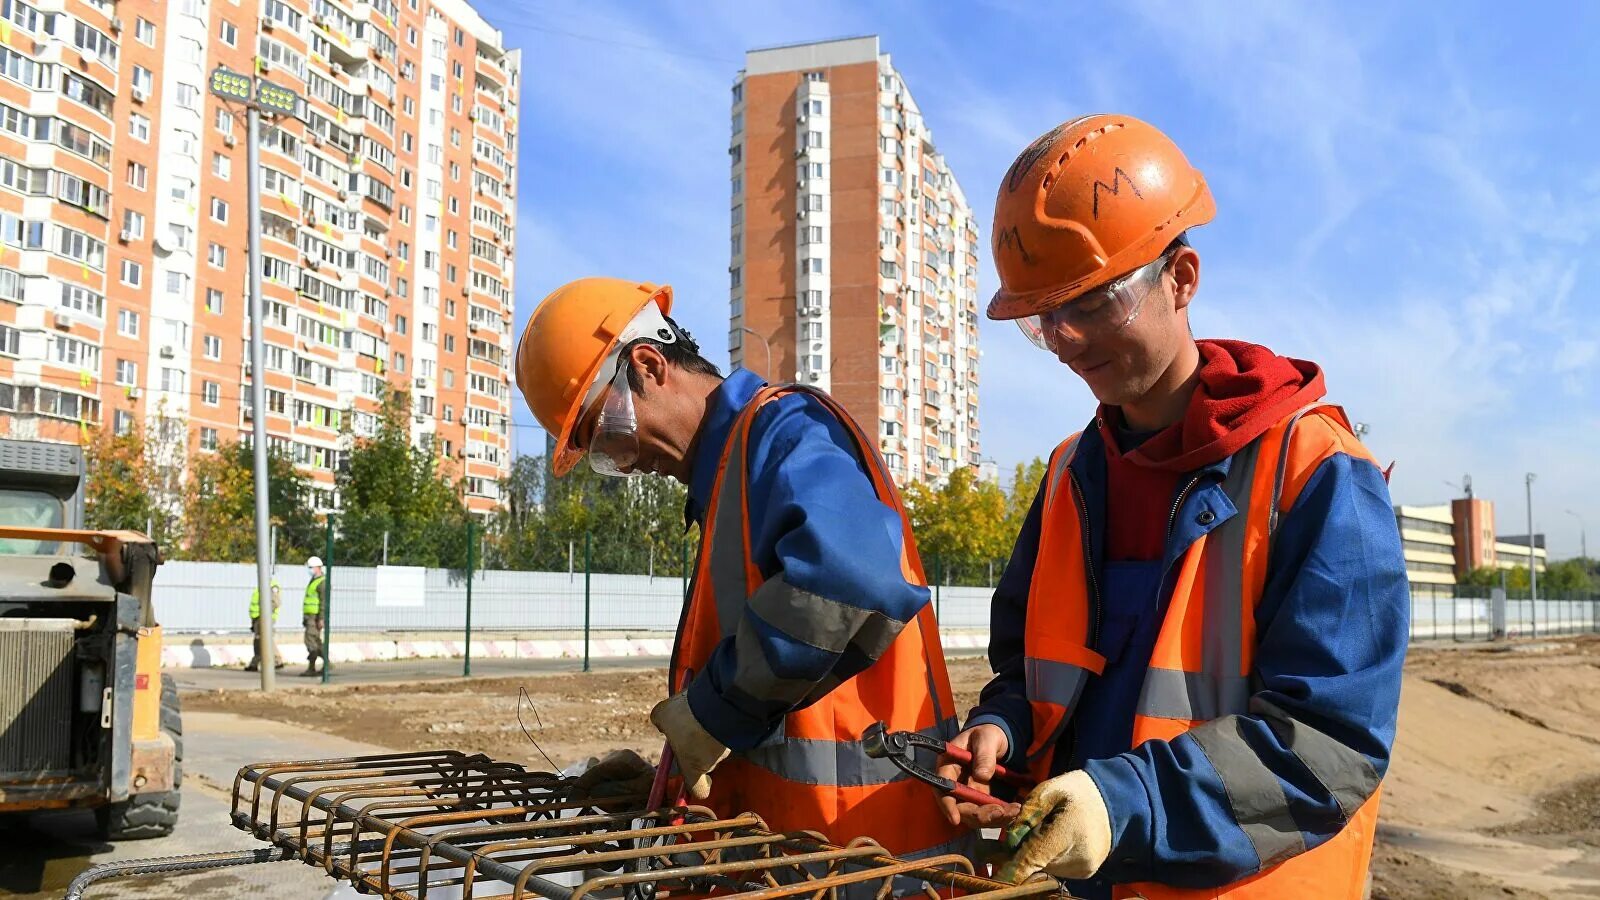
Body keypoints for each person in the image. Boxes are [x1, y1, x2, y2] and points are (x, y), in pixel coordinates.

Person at [936, 115, 1409, 899]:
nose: (1066, 338)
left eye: (1092, 303)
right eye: (1044, 316)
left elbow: (1330, 744)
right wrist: (1005, 728)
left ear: (1182, 278)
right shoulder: (1069, 475)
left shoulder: (1317, 475)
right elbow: (1030, 667)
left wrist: (1121, 806)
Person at [515, 278, 968, 862]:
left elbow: (847, 578)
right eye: (603, 458)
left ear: (649, 365)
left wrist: (711, 713)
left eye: (607, 434)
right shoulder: (728, 479)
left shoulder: (782, 432)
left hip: (863, 857)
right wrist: (671, 778)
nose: (623, 465)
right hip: (801, 857)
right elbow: (784, 711)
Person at [244, 577, 285, 672]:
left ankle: (277, 660)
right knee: (258, 641)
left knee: (265, 639)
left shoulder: (272, 586)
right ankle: (255, 662)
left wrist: (265, 614)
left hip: (265, 618)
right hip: (257, 618)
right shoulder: (262, 585)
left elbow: (276, 602)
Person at [301, 556, 328, 677]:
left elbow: (323, 602)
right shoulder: (313, 580)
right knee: (315, 641)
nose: (309, 569)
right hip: (309, 616)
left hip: (315, 616)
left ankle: (314, 667)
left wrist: (321, 618)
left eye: (311, 567)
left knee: (310, 640)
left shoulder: (322, 582)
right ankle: (326, 663)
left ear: (318, 567)